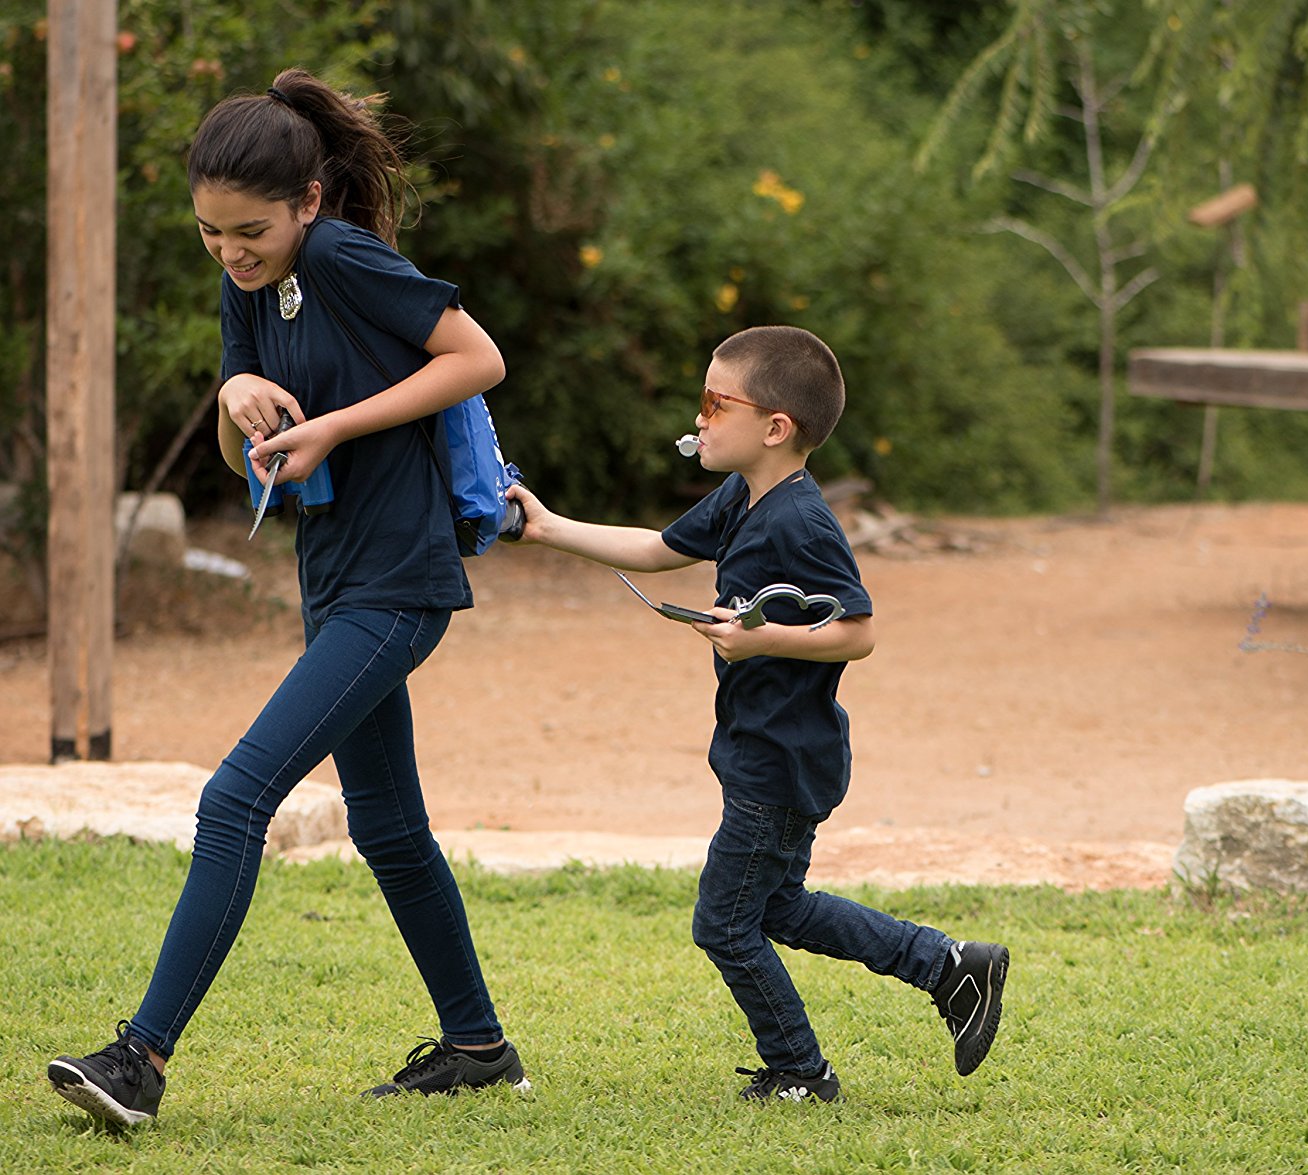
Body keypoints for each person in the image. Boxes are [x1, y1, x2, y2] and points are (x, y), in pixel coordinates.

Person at [47, 69, 529, 1129]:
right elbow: (242, 452)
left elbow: (478, 356)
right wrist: (236, 395)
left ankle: (140, 1058)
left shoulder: (346, 257)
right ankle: (478, 1046)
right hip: (335, 577)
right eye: (212, 234)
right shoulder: (250, 285)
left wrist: (340, 424)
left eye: (250, 230)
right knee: (391, 825)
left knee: (235, 798)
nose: (231, 252)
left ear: (309, 201)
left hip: (398, 584)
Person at [506, 324, 1009, 1102]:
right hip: (762, 748)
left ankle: (801, 1072)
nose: (698, 418)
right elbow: (657, 548)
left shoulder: (800, 521)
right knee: (779, 907)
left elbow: (860, 631)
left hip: (781, 759)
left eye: (715, 402)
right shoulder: (742, 496)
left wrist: (760, 637)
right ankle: (950, 965)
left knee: (725, 922)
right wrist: (544, 528)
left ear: (775, 427)